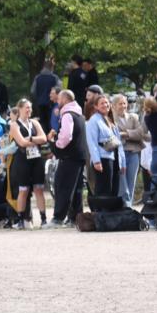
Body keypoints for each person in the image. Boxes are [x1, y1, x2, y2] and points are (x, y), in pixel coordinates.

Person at [45, 90, 88, 228]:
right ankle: (75, 218)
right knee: (76, 189)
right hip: (79, 156)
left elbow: (66, 137)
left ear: (64, 99)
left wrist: (55, 144)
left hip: (69, 156)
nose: (57, 102)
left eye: (59, 99)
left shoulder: (67, 114)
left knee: (62, 186)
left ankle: (58, 218)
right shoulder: (79, 114)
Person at [8, 99, 48, 229]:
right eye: (26, 107)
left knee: (39, 189)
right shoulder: (14, 125)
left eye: (30, 107)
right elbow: (21, 142)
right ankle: (20, 219)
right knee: (23, 190)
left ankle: (43, 219)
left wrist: (30, 139)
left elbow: (44, 138)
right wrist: (35, 141)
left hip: (36, 159)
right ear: (19, 109)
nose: (29, 110)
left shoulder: (34, 123)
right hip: (23, 160)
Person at [86, 95, 125, 198]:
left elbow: (118, 143)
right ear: (96, 106)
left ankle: (111, 208)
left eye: (106, 102)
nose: (105, 105)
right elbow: (92, 142)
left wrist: (122, 162)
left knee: (114, 189)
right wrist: (96, 161)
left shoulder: (111, 120)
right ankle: (101, 208)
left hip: (114, 158)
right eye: (102, 103)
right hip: (103, 158)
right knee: (104, 190)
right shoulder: (94, 121)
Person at [112, 94, 148, 206]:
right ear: (114, 105)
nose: (123, 106)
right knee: (122, 185)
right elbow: (114, 136)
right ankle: (124, 208)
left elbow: (140, 133)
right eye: (120, 104)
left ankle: (128, 208)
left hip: (133, 153)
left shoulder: (133, 117)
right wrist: (132, 134)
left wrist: (125, 134)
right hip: (119, 154)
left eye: (124, 103)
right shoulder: (111, 119)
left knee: (131, 182)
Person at [31, 59, 61, 128]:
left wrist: (38, 98)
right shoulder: (54, 78)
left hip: (40, 103)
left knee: (42, 122)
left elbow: (32, 91)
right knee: (51, 121)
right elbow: (59, 90)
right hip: (51, 103)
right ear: (51, 68)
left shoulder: (37, 77)